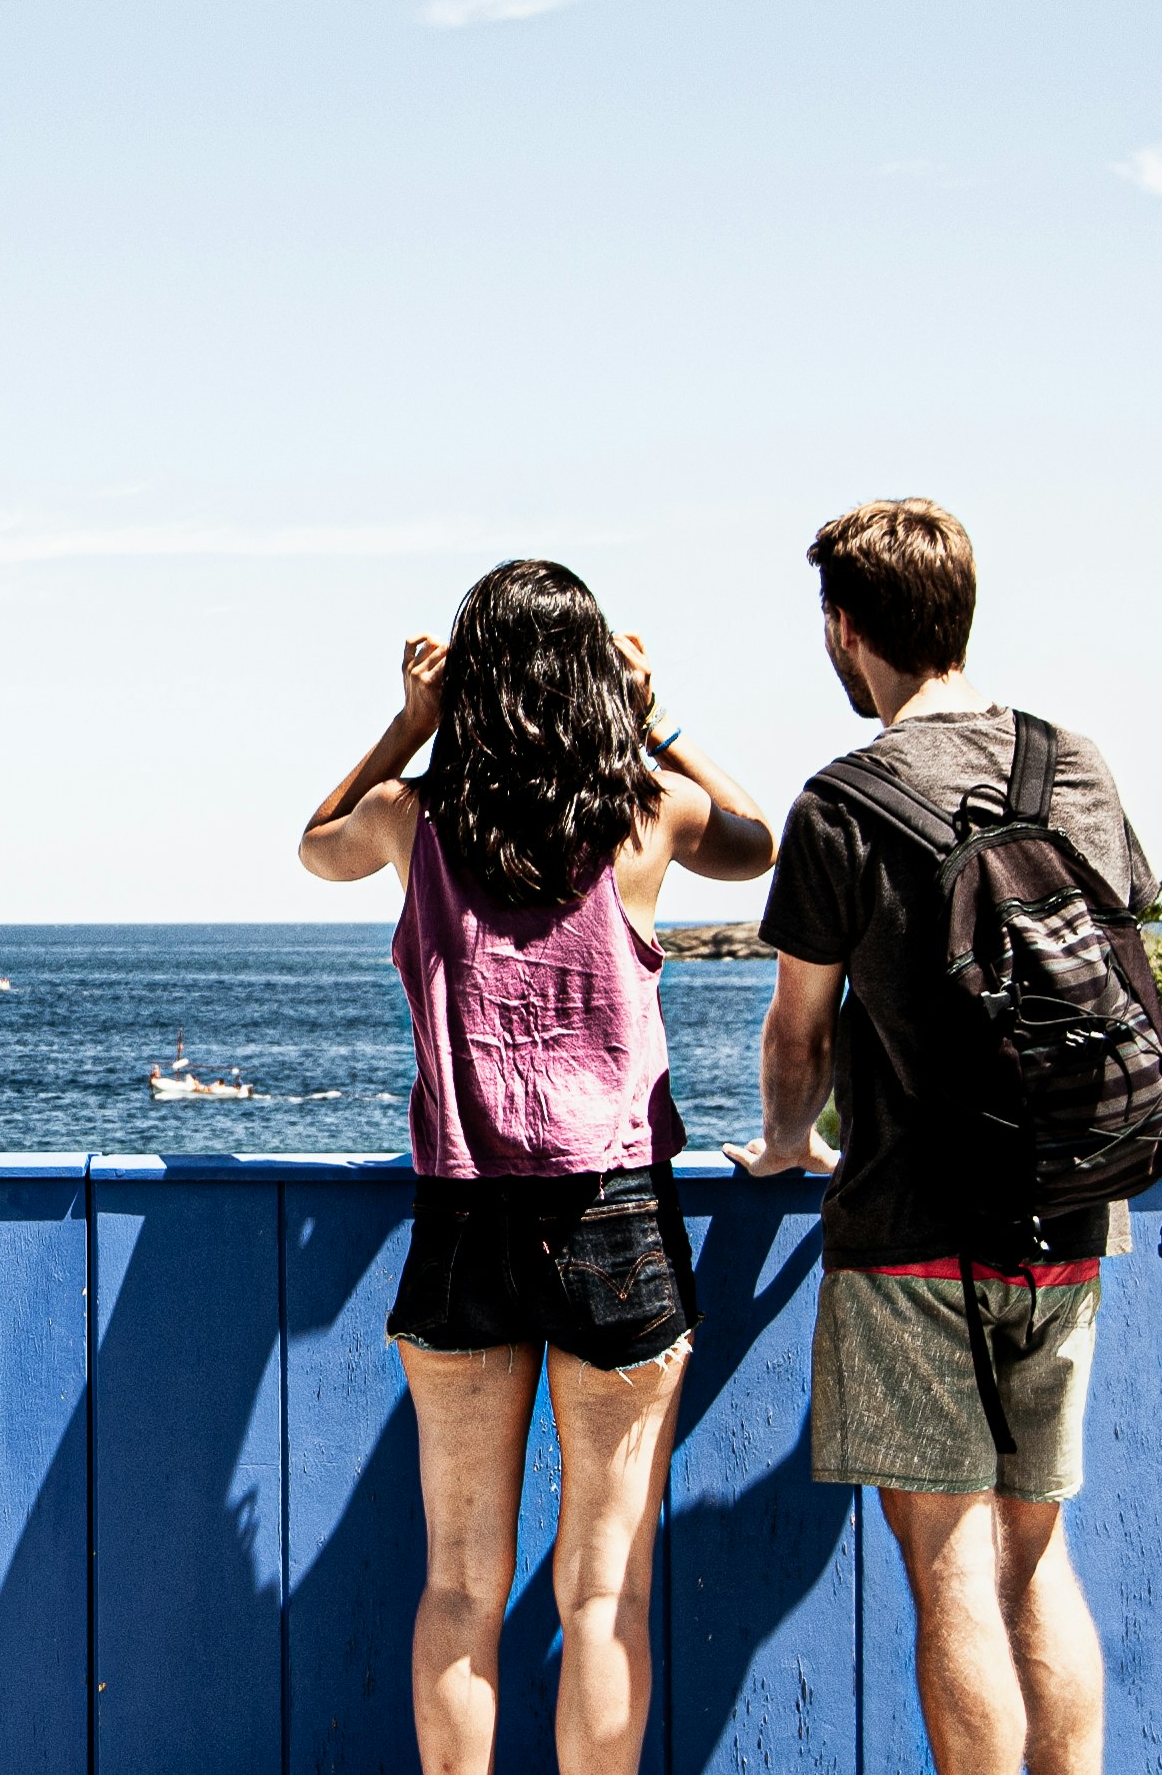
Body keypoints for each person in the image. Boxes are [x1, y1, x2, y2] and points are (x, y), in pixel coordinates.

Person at [300, 559, 775, 1775]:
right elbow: (758, 843)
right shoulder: (644, 812)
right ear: (589, 681)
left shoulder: (415, 819)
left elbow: (313, 846)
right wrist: (653, 716)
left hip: (462, 1216)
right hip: (616, 1216)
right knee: (602, 1592)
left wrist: (409, 727)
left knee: (459, 1587)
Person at [725, 498, 1155, 1775]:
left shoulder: (842, 803)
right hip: (1075, 1206)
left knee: (953, 1572)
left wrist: (782, 1144)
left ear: (845, 629)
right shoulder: (1071, 762)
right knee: (1035, 1551)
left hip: (914, 1230)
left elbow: (798, 1031)